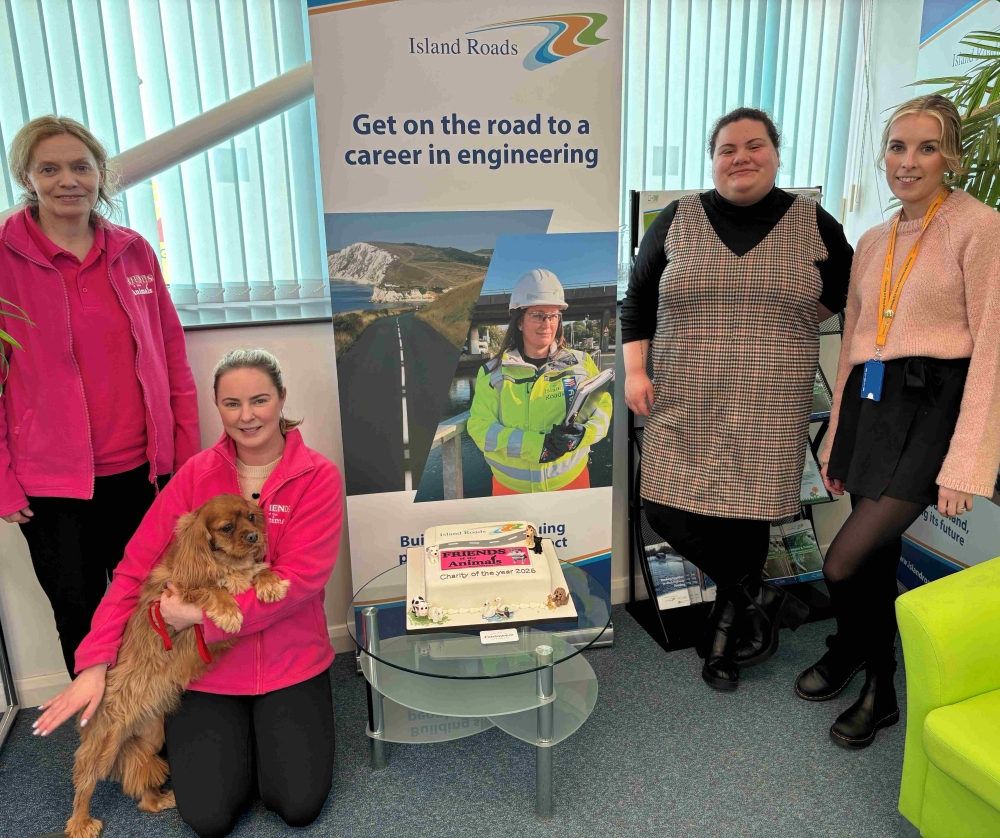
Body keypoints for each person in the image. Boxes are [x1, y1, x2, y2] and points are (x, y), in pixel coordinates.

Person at [33, 349, 344, 837]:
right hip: (206, 672)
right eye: (232, 403)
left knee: (298, 804)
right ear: (217, 407)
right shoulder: (195, 474)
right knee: (208, 817)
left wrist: (197, 616)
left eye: (260, 400)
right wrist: (94, 662)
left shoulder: (317, 476)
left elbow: (301, 581)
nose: (247, 416)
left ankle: (267, 745)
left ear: (282, 399)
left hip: (290, 662)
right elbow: (134, 570)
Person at [621, 107, 854, 692]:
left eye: (755, 146)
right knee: (663, 507)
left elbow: (850, 288)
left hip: (770, 395)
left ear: (776, 154)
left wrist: (787, 327)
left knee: (747, 512)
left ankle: (725, 634)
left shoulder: (810, 221)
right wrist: (633, 371)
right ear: (713, 159)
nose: (741, 157)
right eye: (728, 148)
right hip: (685, 389)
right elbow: (639, 298)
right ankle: (759, 593)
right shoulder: (678, 218)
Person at [803, 94, 1000, 749]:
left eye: (927, 147)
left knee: (842, 559)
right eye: (897, 146)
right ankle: (860, 658)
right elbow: (859, 338)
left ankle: (878, 680)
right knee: (875, 556)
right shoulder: (874, 238)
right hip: (871, 402)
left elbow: (993, 351)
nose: (908, 162)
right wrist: (835, 440)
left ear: (952, 156)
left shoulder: (979, 226)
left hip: (934, 407)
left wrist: (968, 460)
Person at [0, 116, 199, 675]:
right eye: (50, 168)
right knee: (82, 619)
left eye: (80, 166)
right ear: (27, 176)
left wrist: (185, 462)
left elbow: (173, 360)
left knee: (156, 609)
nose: (68, 180)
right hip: (52, 488)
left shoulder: (133, 252)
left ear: (99, 174)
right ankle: (108, 730)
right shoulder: (3, 257)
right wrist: (1, 479)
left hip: (142, 475)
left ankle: (160, 725)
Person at [468, 268, 612, 494]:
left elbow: (602, 409)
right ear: (519, 322)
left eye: (553, 315)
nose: (547, 324)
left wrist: (583, 435)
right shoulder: (492, 373)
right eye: (537, 315)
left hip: (573, 485)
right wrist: (537, 446)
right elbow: (480, 428)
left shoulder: (582, 364)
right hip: (511, 492)